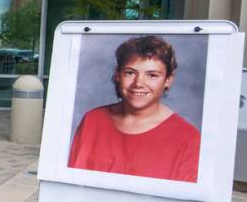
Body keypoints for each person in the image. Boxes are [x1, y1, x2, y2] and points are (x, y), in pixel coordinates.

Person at [68, 35, 201, 182]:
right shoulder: (93, 120)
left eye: (152, 75)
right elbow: (71, 188)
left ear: (168, 80)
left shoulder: (188, 138)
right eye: (130, 73)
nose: (138, 83)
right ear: (118, 75)